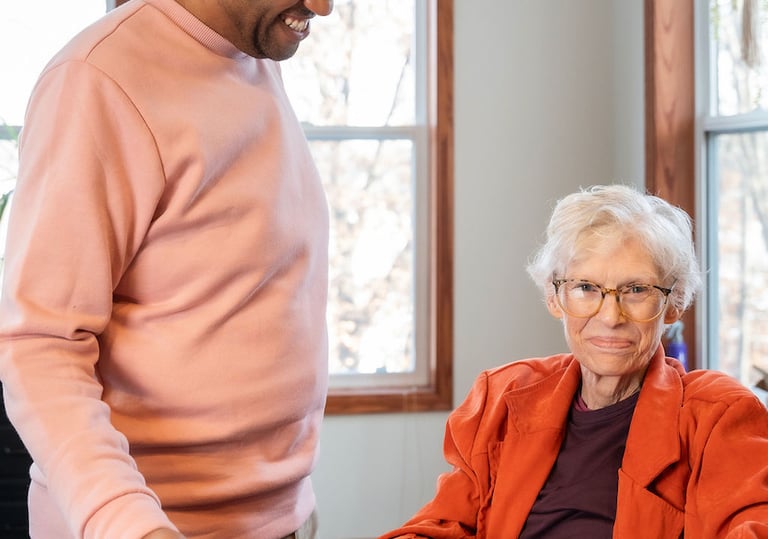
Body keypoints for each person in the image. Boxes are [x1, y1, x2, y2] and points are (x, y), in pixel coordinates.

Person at [0, 0, 334, 537]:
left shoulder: (254, 56)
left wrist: (284, 505)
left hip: (274, 516)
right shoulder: (96, 80)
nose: (324, 6)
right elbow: (39, 345)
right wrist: (128, 524)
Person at [379, 184, 768, 538]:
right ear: (554, 297)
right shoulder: (501, 397)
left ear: (674, 303)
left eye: (636, 289)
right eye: (586, 287)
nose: (611, 317)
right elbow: (444, 524)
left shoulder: (717, 415)